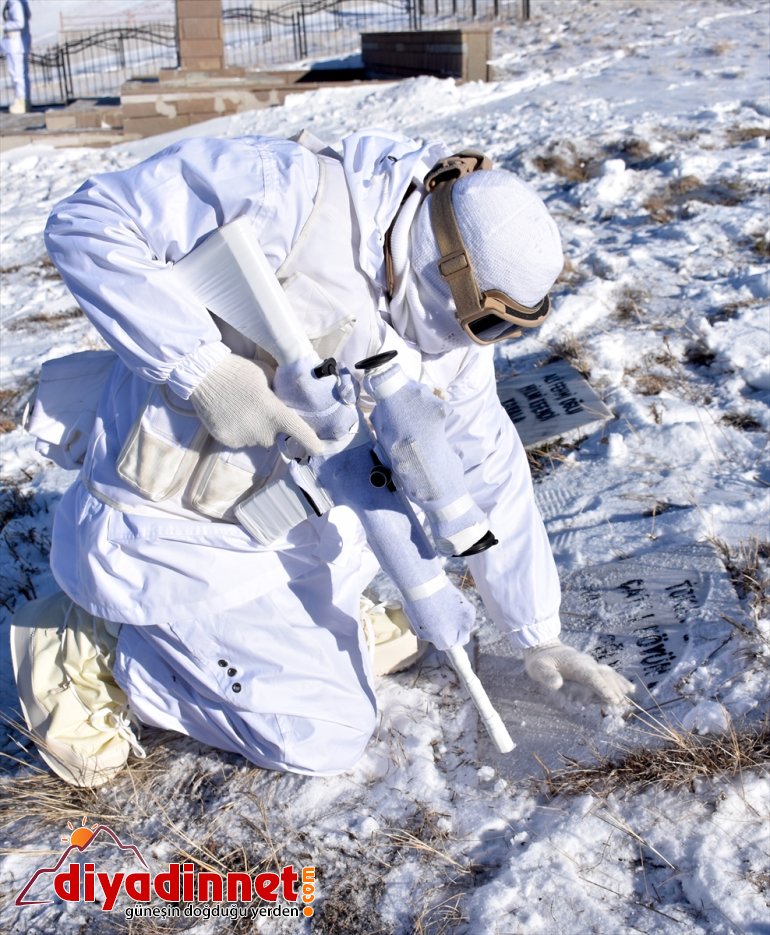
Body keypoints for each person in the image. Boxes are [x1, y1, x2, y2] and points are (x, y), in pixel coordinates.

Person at [11, 129, 635, 788]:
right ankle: (95, 642)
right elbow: (89, 223)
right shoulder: (285, 191)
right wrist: (201, 369)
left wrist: (537, 630)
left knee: (387, 510)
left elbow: (487, 467)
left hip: (294, 511)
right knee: (324, 736)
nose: (481, 345)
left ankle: (292, 631)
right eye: (485, 325)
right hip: (177, 528)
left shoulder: (452, 335)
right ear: (447, 267)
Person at [2, 0, 30, 115]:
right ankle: (23, 100)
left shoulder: (15, 2)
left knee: (17, 75)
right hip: (17, 42)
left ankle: (21, 101)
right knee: (20, 74)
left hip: (15, 42)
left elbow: (20, 23)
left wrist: (4, 26)